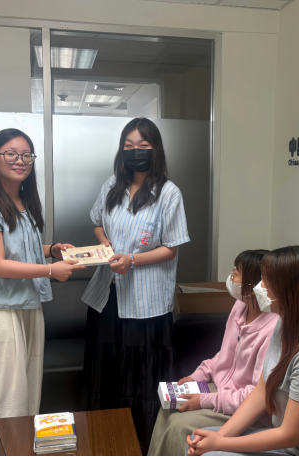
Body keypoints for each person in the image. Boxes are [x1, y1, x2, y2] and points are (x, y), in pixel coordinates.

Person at [81, 118, 190, 454]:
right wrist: (107, 245)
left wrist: (132, 260)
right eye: (128, 146)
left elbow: (171, 247)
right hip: (107, 296)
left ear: (155, 150)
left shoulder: (168, 193)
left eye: (143, 146)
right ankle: (104, 440)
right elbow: (97, 222)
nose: (135, 152)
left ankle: (140, 443)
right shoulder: (111, 185)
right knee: (105, 370)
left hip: (147, 302)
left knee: (142, 376)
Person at [186, 246, 299, 456]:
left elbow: (291, 435)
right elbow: (260, 393)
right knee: (197, 443)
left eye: (265, 281)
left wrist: (219, 445)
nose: (258, 287)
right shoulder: (283, 325)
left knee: (210, 453)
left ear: (288, 291)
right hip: (286, 441)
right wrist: (218, 438)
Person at [0, 128, 83, 428]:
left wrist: (52, 250)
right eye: (11, 154)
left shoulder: (24, 201)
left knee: (29, 388)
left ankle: (20, 444)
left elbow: (23, 247)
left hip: (29, 304)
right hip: (1, 308)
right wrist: (50, 270)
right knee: (4, 395)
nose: (20, 161)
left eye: (25, 155)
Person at [149, 250, 279, 456]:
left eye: (236, 273)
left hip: (244, 408)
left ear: (254, 285)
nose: (231, 276)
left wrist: (204, 400)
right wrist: (197, 376)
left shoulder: (273, 329)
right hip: (221, 390)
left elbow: (257, 395)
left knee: (178, 425)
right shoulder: (240, 306)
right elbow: (225, 354)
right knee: (167, 410)